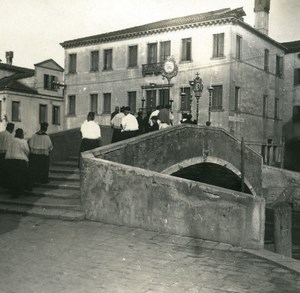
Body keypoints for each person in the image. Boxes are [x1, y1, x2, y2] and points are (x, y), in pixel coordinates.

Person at [5, 128, 31, 196]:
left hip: (10, 160)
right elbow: (27, 151)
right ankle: (20, 191)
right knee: (21, 177)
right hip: (20, 161)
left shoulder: (12, 140)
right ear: (21, 134)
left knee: (13, 177)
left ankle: (13, 191)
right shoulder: (23, 141)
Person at [0, 122, 15, 187]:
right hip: (6, 154)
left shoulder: (1, 133)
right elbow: (10, 146)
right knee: (5, 169)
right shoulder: (10, 136)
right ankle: (4, 183)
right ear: (11, 129)